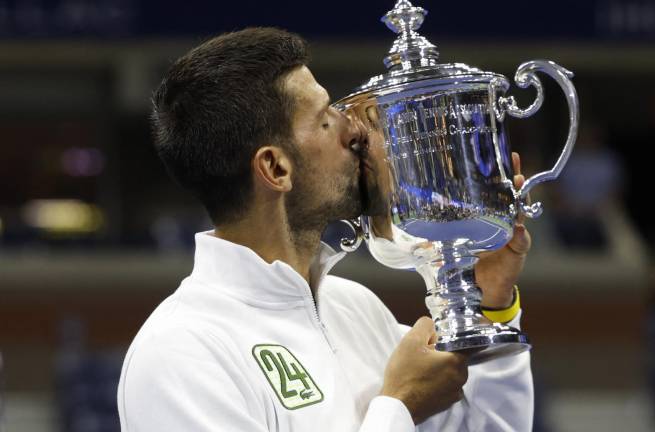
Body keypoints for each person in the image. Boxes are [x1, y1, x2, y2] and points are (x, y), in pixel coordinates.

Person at [117, 27, 534, 431]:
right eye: (325, 119)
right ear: (275, 168)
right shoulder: (181, 352)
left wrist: (490, 302)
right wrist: (399, 408)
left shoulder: (355, 307)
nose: (354, 130)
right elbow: (401, 408)